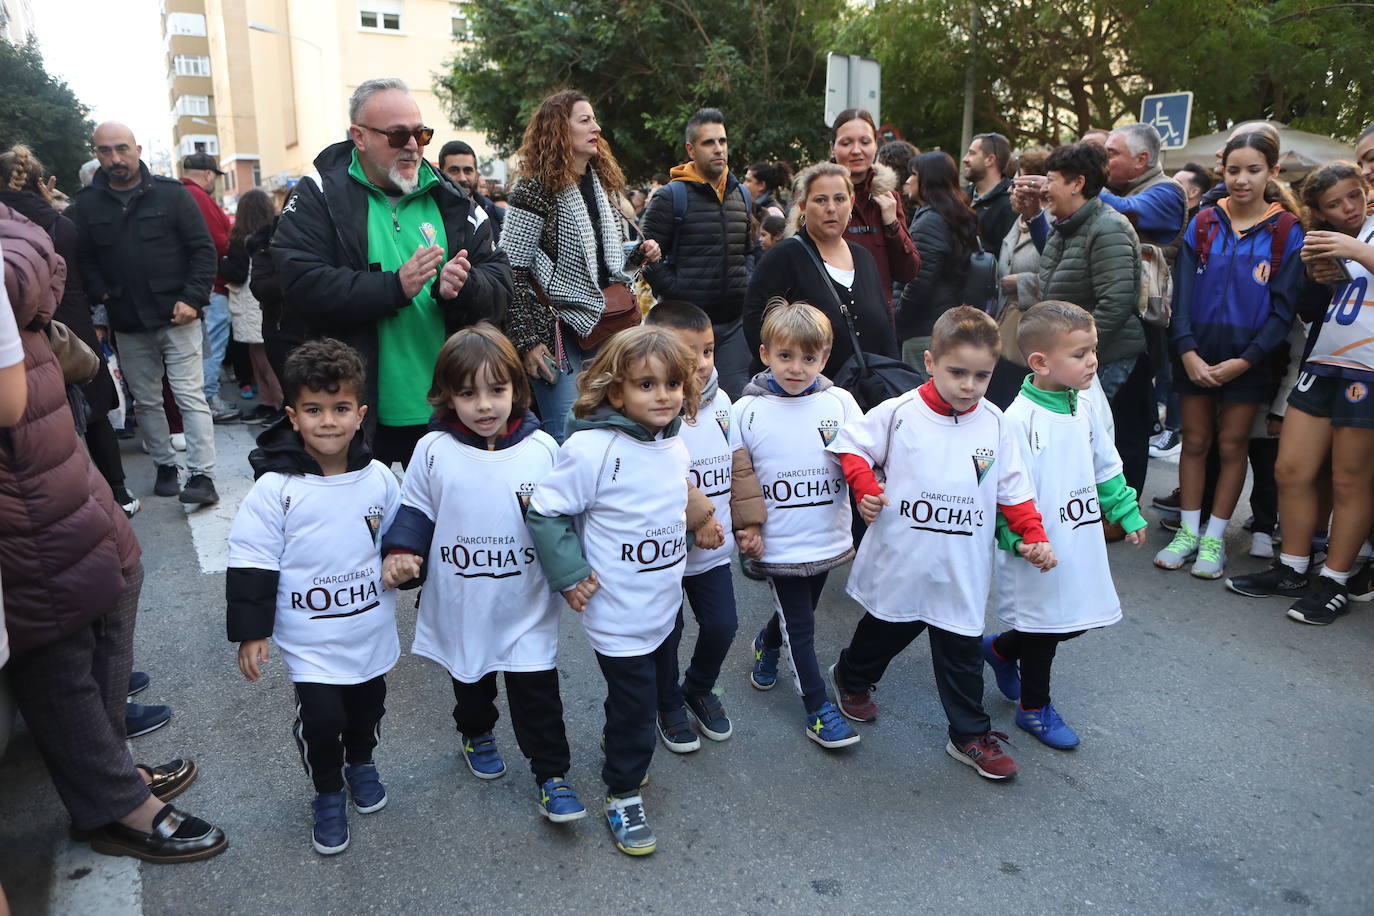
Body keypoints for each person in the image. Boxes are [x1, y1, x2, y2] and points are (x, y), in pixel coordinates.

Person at [2, 201, 227, 864]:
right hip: (20, 457)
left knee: (118, 574)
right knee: (59, 625)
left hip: (47, 436)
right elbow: (32, 262)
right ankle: (110, 802)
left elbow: (39, 248)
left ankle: (105, 767)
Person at [826, 307, 1051, 781]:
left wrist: (1033, 535)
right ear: (930, 362)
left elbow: (1015, 492)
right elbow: (851, 446)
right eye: (957, 372)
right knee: (885, 629)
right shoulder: (899, 412)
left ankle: (969, 734)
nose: (969, 385)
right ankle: (852, 676)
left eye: (982, 375)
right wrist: (866, 489)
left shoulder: (996, 424)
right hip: (902, 560)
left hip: (960, 566)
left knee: (961, 650)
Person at [526, 327, 721, 856]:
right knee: (638, 708)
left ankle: (622, 740)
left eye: (672, 384)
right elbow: (545, 510)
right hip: (616, 612)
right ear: (616, 393)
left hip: (662, 603)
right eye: (646, 385)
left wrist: (698, 519)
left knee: (648, 690)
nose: (663, 396)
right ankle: (622, 792)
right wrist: (569, 574)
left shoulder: (673, 442)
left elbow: (664, 501)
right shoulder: (591, 449)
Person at [378, 324, 584, 820]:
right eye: (468, 393)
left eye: (497, 389)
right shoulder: (433, 450)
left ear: (517, 387)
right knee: (472, 682)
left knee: (537, 690)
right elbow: (415, 510)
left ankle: (552, 775)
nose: (485, 405)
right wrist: (402, 552)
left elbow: (562, 521)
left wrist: (577, 572)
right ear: (448, 395)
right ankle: (476, 731)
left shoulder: (542, 451)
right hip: (464, 598)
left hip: (526, 600)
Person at [272, 77, 512, 467]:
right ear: (359, 137)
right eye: (398, 136)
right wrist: (393, 287)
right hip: (354, 412)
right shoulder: (319, 194)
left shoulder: (450, 197)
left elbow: (501, 282)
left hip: (452, 408)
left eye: (421, 133)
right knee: (364, 527)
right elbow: (299, 283)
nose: (413, 146)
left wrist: (465, 286)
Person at [227, 339, 401, 855]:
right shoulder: (275, 489)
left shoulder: (377, 481)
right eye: (314, 410)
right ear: (293, 416)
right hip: (310, 641)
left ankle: (361, 762)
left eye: (340, 408)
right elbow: (252, 559)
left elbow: (399, 540)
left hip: (368, 629)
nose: (328, 421)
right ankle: (327, 791)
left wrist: (406, 566)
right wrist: (252, 632)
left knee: (367, 708)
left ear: (360, 414)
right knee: (324, 720)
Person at [984, 301, 1148, 749]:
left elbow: (1106, 466)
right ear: (1040, 362)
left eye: (1093, 349)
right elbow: (1004, 491)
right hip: (1036, 546)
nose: (1092, 360)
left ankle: (1000, 649)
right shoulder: (1017, 419)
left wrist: (1126, 511)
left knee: (1076, 617)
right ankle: (1034, 708)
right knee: (1044, 626)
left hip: (1078, 539)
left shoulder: (1086, 405)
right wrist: (1019, 541)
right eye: (1079, 353)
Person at [1227, 161, 1374, 624]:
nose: (1348, 207)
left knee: (1350, 479)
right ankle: (1291, 566)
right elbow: (1309, 308)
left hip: (1367, 369)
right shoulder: (1329, 239)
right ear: (1320, 210)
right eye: (1335, 203)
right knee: (1291, 469)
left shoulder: (1361, 235)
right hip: (1324, 360)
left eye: (1355, 195)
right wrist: (1317, 275)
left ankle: (1335, 580)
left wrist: (1357, 251)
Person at [1153, 133, 1304, 581]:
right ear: (1223, 171)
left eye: (1253, 170)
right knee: (1195, 442)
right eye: (1233, 169)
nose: (1241, 179)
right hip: (1196, 353)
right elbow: (1180, 295)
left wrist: (1247, 360)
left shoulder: (1285, 230)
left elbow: (1283, 312)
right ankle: (1188, 532)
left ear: (1272, 172)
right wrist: (1187, 351)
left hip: (1248, 360)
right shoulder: (1202, 221)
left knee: (1234, 445)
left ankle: (1215, 539)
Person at [68, 122, 220, 505]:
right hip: (129, 321)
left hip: (179, 316)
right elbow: (83, 258)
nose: (115, 158)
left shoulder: (172, 196)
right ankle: (166, 464)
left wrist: (193, 298)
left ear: (137, 148)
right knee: (147, 400)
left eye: (121, 148)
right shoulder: (86, 205)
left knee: (190, 396)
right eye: (105, 151)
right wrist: (103, 292)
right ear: (97, 154)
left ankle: (203, 476)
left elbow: (203, 250)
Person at [734, 300, 862, 749]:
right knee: (803, 627)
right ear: (766, 353)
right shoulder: (745, 411)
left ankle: (767, 644)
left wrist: (870, 492)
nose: (796, 368)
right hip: (780, 541)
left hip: (827, 534)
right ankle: (818, 709)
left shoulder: (840, 402)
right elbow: (740, 475)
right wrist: (746, 528)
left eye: (809, 358)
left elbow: (861, 457)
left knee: (798, 614)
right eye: (786, 356)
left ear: (824, 358)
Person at [501, 89, 660, 443]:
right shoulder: (534, 189)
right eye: (585, 120)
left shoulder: (600, 184)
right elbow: (510, 268)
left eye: (595, 119)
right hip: (556, 335)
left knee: (619, 430)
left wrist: (637, 255)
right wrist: (527, 343)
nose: (597, 128)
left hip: (610, 326)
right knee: (568, 436)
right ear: (559, 129)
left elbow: (606, 263)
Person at [643, 301, 764, 750]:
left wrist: (748, 523)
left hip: (712, 552)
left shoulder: (724, 402)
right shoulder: (652, 415)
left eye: (708, 351)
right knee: (665, 634)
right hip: (666, 553)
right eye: (686, 353)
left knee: (722, 626)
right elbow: (661, 485)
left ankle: (698, 688)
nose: (700, 363)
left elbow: (738, 466)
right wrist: (698, 525)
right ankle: (666, 700)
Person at [0, 145, 138, 516]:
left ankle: (72, 505)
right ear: (41, 183)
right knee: (95, 415)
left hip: (24, 335)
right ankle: (121, 494)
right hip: (73, 326)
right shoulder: (63, 222)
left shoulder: (8, 225)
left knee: (45, 424)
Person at [1026, 143, 1147, 499]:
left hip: (1109, 355)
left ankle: (1115, 513)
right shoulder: (1064, 227)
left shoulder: (1107, 228)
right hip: (1073, 355)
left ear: (1077, 183)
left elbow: (1117, 300)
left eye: (1051, 180)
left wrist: (1077, 352)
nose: (1045, 188)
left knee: (1106, 436)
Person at [640, 108, 757, 398]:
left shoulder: (741, 194)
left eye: (723, 141)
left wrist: (747, 282)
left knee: (732, 405)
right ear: (691, 149)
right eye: (709, 143)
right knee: (684, 406)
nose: (718, 149)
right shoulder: (671, 197)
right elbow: (644, 256)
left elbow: (750, 250)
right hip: (684, 329)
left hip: (733, 327)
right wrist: (678, 292)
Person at [743, 162, 898, 378]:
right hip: (800, 396)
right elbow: (755, 325)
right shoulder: (783, 257)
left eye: (840, 199)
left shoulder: (863, 258)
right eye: (821, 200)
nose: (831, 208)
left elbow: (886, 327)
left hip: (865, 398)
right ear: (804, 205)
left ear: (851, 203)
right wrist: (789, 380)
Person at [895, 151, 981, 367]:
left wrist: (898, 316)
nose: (908, 181)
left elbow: (920, 281)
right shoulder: (950, 215)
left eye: (913, 174)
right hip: (943, 322)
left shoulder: (930, 221)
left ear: (928, 180)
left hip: (924, 329)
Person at [829, 109, 920, 307]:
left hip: (878, 325)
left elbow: (908, 271)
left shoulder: (888, 197)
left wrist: (892, 225)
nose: (856, 150)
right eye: (846, 143)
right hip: (825, 327)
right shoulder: (814, 198)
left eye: (865, 142)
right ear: (832, 148)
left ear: (875, 146)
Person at [986, 147, 1049, 409]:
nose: (1012, 192)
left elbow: (1060, 273)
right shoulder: (1018, 221)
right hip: (1007, 319)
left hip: (1032, 327)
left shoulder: (1049, 223)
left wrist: (1022, 281)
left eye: (1019, 186)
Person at [179, 153, 239, 423]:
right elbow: (218, 241)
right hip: (211, 285)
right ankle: (210, 400)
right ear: (208, 173)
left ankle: (204, 400)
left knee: (203, 346)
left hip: (196, 285)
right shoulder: (199, 197)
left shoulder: (180, 194)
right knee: (212, 345)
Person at [220, 189, 284, 426]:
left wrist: (223, 263)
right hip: (261, 305)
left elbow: (235, 274)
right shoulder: (272, 234)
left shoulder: (240, 240)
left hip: (247, 306)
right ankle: (271, 403)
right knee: (267, 358)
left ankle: (276, 404)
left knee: (263, 360)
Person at [961, 132, 1016, 252]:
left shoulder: (1010, 203)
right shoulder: (960, 197)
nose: (965, 159)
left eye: (972, 153)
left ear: (990, 160)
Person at [437, 139, 504, 234]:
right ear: (441, 173)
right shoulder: (431, 213)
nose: (462, 178)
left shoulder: (498, 218)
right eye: (454, 170)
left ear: (476, 174)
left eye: (468, 171)